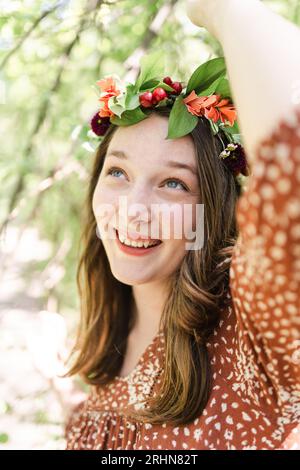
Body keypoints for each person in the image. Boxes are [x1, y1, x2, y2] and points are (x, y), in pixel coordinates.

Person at [63, 0, 300, 450]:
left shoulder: (249, 334)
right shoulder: (98, 353)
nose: (134, 210)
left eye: (173, 183)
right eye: (118, 173)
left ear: (211, 208)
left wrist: (221, 10)